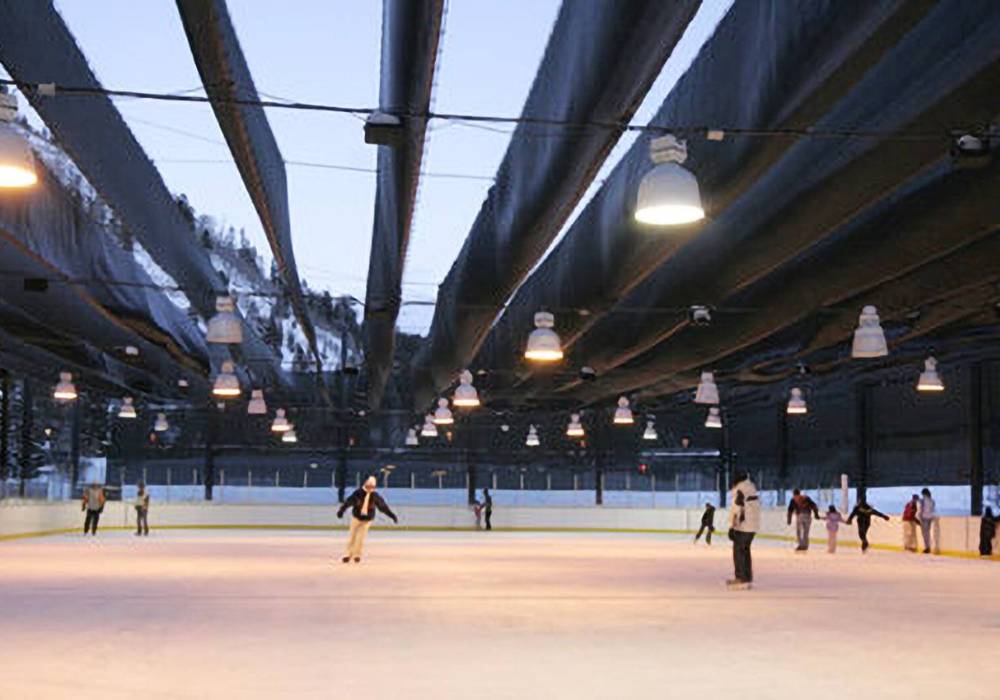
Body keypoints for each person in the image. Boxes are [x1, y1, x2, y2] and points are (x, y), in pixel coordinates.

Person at [336, 476, 397, 563]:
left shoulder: (375, 496)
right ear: (365, 484)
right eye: (369, 486)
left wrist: (392, 515)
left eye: (372, 487)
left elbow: (383, 507)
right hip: (356, 518)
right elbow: (348, 502)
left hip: (367, 520)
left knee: (361, 538)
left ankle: (357, 555)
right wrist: (341, 511)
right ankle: (348, 555)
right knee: (352, 536)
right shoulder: (358, 493)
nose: (370, 488)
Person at [727, 472, 760, 589]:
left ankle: (741, 578)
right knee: (745, 550)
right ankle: (747, 578)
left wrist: (732, 526)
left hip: (744, 525)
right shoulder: (751, 487)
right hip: (753, 525)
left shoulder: (740, 489)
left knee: (738, 551)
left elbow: (737, 507)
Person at [918, 488, 937, 554]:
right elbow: (933, 509)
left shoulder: (922, 500)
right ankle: (928, 546)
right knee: (927, 533)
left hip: (924, 517)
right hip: (930, 517)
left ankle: (927, 547)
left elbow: (921, 509)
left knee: (925, 533)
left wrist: (919, 517)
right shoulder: (932, 500)